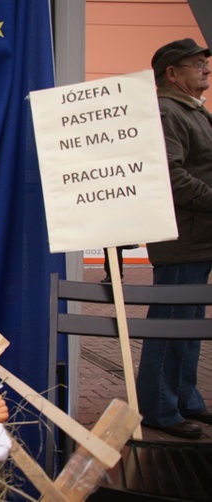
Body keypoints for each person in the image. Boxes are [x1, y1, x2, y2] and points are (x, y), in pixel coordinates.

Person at [135, 38, 212, 440]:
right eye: (196, 63)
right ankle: (160, 410)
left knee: (189, 322)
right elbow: (172, 176)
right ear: (171, 73)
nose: (205, 68)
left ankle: (185, 400)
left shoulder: (188, 109)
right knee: (170, 323)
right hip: (182, 238)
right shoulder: (167, 111)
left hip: (197, 237)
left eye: (205, 63)